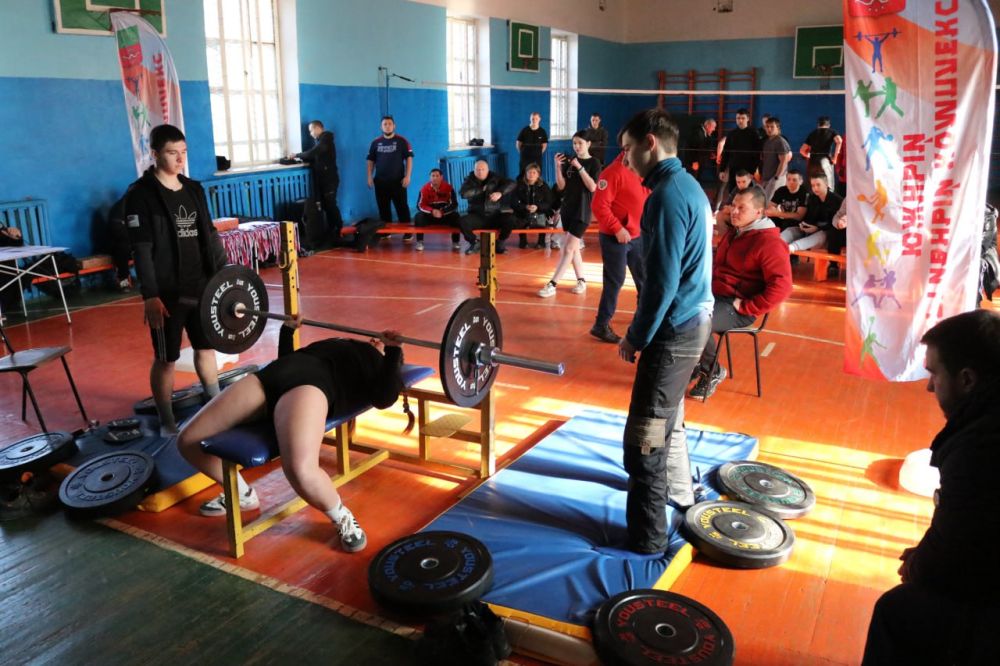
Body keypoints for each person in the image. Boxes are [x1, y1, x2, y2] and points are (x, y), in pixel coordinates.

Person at [177, 315, 407, 553]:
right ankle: (242, 494)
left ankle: (341, 515)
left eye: (381, 345)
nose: (375, 340)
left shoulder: (379, 366)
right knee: (188, 440)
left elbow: (384, 398)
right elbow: (288, 359)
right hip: (274, 375)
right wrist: (287, 331)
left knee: (300, 470)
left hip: (310, 386)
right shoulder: (341, 341)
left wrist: (392, 352)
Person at [861, 310, 1000, 666]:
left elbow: (960, 549)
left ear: (967, 379)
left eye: (934, 373)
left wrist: (919, 566)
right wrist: (926, 555)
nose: (928, 386)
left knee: (897, 610)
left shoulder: (980, 447)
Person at [617, 109, 714, 553]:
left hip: (674, 335)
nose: (626, 160)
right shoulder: (688, 185)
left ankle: (648, 542)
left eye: (628, 150)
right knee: (668, 423)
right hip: (693, 323)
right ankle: (680, 495)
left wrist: (635, 336)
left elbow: (662, 283)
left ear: (649, 143)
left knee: (644, 444)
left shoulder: (667, 195)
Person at [124, 124, 228, 437]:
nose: (180, 159)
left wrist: (225, 275)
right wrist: (149, 295)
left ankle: (216, 405)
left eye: (183, 153)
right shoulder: (140, 196)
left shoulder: (194, 189)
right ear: (155, 154)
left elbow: (209, 235)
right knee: (166, 358)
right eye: (172, 153)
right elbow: (141, 250)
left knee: (206, 349)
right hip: (167, 293)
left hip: (201, 284)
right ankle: (167, 421)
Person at [689, 187, 792, 399]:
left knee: (696, 321)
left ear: (759, 212)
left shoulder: (769, 243)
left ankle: (712, 371)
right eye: (733, 206)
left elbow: (782, 287)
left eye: (741, 208)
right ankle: (694, 362)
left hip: (738, 307)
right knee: (677, 308)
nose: (734, 211)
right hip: (716, 297)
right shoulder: (736, 232)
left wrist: (747, 307)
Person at [590, 151, 648, 343]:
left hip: (637, 235)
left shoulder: (640, 170)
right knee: (615, 281)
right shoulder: (612, 173)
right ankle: (601, 324)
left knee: (644, 279)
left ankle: (644, 319)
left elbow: (645, 194)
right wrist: (617, 228)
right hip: (616, 238)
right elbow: (599, 205)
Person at [537, 130, 601, 298]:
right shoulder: (569, 162)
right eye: (574, 143)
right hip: (568, 209)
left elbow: (592, 187)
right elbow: (561, 186)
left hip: (582, 211)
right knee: (574, 249)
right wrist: (558, 167)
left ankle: (552, 284)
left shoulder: (594, 163)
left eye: (580, 143)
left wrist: (579, 167)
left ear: (588, 144)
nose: (577, 146)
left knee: (568, 247)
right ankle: (581, 280)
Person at [782, 173, 846, 276]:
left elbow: (834, 224)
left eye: (818, 185)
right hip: (810, 230)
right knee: (791, 230)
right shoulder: (812, 198)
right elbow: (809, 217)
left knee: (821, 235)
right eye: (813, 185)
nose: (815, 188)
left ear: (826, 184)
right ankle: (778, 244)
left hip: (826, 233)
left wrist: (817, 228)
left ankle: (791, 248)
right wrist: (805, 225)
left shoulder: (837, 200)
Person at [293, 120, 343, 241]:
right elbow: (315, 156)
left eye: (311, 130)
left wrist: (297, 155)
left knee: (331, 204)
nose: (310, 134)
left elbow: (315, 152)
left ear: (317, 128)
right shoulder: (319, 141)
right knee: (326, 205)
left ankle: (339, 228)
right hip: (322, 179)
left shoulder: (326, 139)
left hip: (329, 179)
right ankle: (332, 230)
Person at [366, 116, 414, 241]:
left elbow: (409, 158)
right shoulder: (375, 142)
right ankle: (386, 232)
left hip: (398, 181)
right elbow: (370, 161)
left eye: (389, 124)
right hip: (381, 182)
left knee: (401, 207)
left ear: (394, 126)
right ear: (381, 127)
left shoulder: (402, 141)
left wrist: (408, 176)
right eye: (385, 124)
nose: (387, 126)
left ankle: (407, 232)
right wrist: (369, 177)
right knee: (383, 207)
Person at [458, 160, 517, 254]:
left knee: (511, 219)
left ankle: (500, 242)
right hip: (477, 216)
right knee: (461, 221)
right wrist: (481, 189)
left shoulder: (496, 178)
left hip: (494, 215)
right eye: (478, 170)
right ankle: (474, 242)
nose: (480, 172)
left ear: (488, 170)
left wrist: (500, 193)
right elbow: (463, 194)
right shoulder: (469, 180)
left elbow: (512, 183)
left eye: (483, 169)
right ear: (474, 170)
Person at [414, 168, 461, 252]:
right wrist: (432, 211)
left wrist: (442, 212)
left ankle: (455, 241)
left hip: (444, 216)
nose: (435, 178)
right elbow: (420, 205)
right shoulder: (424, 189)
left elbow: (454, 204)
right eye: (433, 176)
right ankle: (420, 242)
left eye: (437, 176)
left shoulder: (448, 188)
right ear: (430, 177)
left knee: (456, 216)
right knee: (418, 216)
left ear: (441, 177)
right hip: (430, 216)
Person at [716, 108, 762, 193]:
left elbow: (757, 155)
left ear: (747, 119)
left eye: (743, 118)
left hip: (748, 170)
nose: (740, 120)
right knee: (732, 193)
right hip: (734, 169)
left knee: (747, 193)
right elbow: (726, 153)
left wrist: (752, 171)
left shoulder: (754, 133)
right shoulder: (731, 134)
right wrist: (722, 170)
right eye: (738, 118)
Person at [512, 163, 554, 250]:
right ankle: (523, 241)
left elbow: (549, 202)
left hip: (539, 212)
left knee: (543, 217)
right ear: (526, 174)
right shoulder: (519, 186)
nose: (531, 174)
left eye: (534, 172)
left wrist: (537, 207)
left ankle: (541, 242)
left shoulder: (544, 186)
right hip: (523, 212)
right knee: (519, 217)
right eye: (529, 172)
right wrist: (525, 207)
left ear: (538, 174)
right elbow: (513, 202)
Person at [800, 116, 842, 187]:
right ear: (829, 125)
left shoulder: (812, 133)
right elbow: (839, 141)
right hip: (825, 160)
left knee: (813, 184)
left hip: (813, 162)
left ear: (818, 125)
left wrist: (810, 156)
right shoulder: (832, 132)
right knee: (828, 185)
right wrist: (835, 158)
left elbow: (802, 150)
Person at [759, 116, 792, 202]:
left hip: (776, 178)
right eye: (767, 127)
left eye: (772, 127)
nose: (769, 129)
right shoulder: (767, 141)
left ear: (778, 128)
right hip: (767, 177)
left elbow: (784, 161)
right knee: (764, 201)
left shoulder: (780, 142)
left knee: (769, 202)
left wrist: (776, 177)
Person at [764, 168, 809, 232]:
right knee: (768, 219)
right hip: (784, 220)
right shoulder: (781, 190)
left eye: (794, 180)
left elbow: (799, 216)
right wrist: (773, 211)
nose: (791, 182)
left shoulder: (804, 193)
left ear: (801, 182)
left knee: (788, 222)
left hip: (797, 224)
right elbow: (770, 208)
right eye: (788, 179)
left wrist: (777, 213)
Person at [683, 117, 717, 182]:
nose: (714, 129)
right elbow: (691, 148)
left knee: (696, 180)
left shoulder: (705, 133)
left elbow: (704, 146)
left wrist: (710, 154)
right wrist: (694, 161)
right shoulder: (697, 132)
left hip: (700, 161)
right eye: (713, 127)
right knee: (692, 180)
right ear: (707, 126)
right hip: (693, 163)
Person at [516, 112, 549, 176]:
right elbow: (518, 143)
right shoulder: (524, 130)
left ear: (539, 119)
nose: (534, 120)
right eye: (533, 119)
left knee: (537, 172)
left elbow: (544, 145)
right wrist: (522, 152)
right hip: (525, 156)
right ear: (530, 119)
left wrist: (538, 152)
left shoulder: (542, 131)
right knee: (523, 173)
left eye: (536, 119)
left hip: (537, 157)